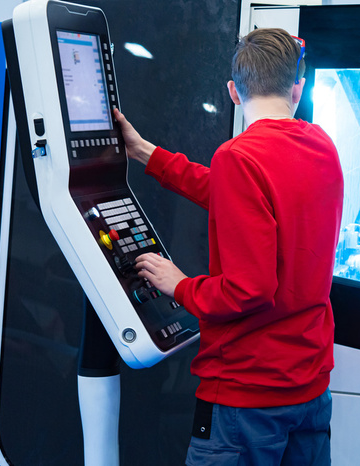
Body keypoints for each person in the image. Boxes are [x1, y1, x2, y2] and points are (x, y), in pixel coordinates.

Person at [114, 28, 343, 465]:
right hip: (310, 390)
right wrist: (146, 153)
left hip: (248, 398)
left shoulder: (238, 158)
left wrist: (180, 285)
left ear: (234, 92)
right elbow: (241, 192)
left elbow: (248, 289)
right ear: (298, 87)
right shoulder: (321, 146)